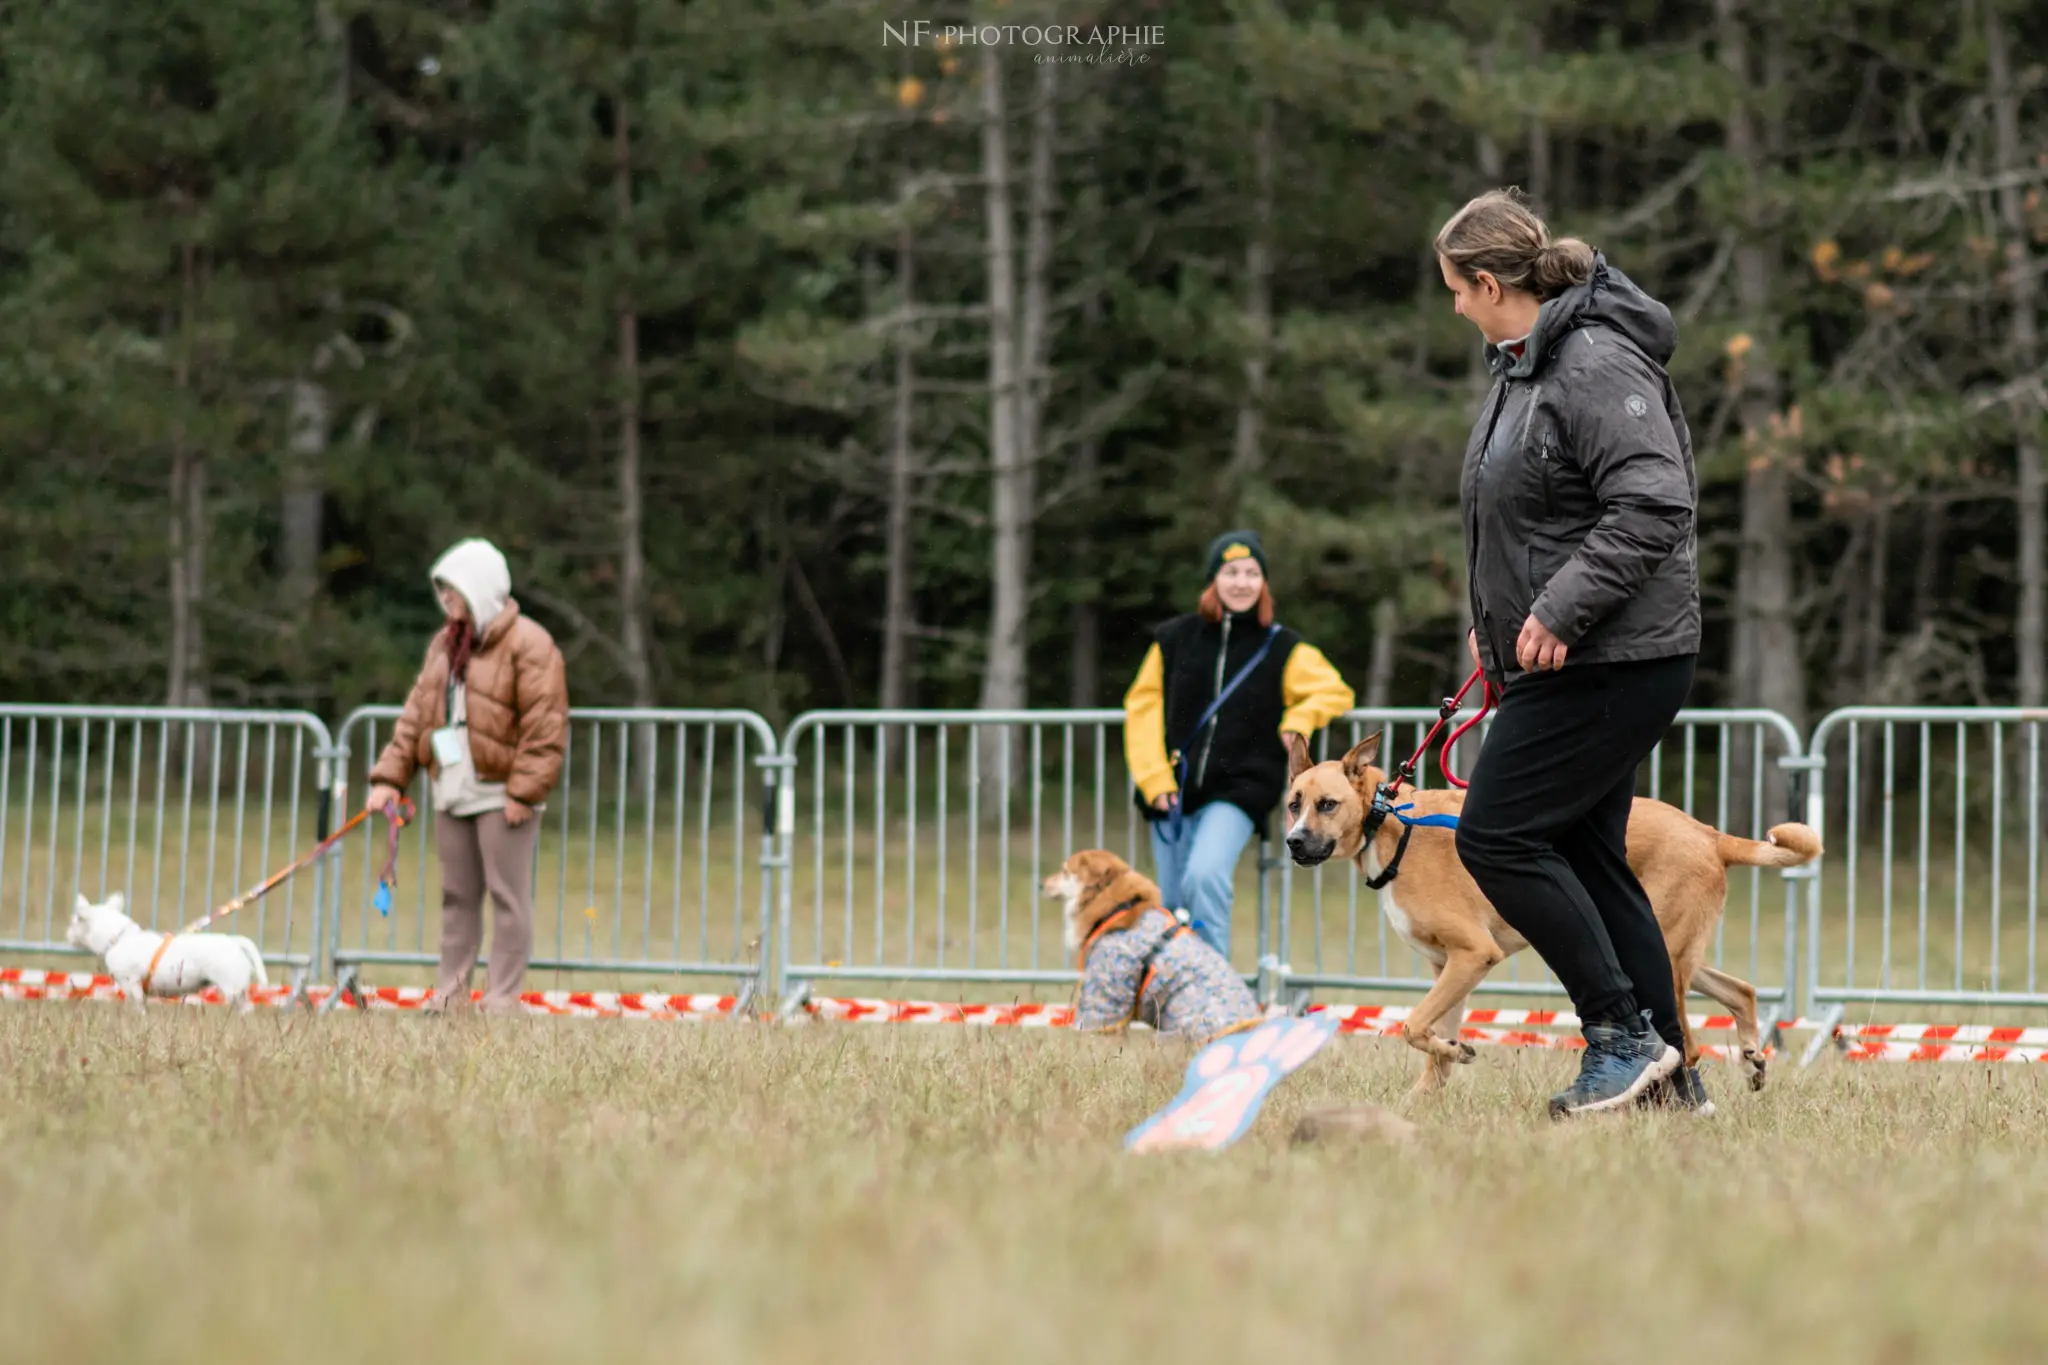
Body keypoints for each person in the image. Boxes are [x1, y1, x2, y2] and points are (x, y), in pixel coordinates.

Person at [1435, 187, 1704, 1118]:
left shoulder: (1589, 360)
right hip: (1566, 652)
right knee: (1591, 855)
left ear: (1487, 280)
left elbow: (1655, 503)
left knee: (1497, 837)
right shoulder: (1524, 365)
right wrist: (1495, 615)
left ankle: (1620, 1035)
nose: (1455, 309)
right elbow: (1527, 514)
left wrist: (1555, 607)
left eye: (1457, 292)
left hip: (1611, 656)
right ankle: (1672, 1081)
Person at [1123, 530, 1355, 962]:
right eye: (1230, 572)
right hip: (1171, 786)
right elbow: (1142, 710)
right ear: (1213, 580)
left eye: (1252, 573)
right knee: (1172, 899)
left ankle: (1216, 991)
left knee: (1205, 875)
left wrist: (1300, 719)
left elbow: (1336, 691)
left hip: (1239, 789)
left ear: (1264, 584)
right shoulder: (1173, 639)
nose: (1242, 582)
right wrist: (1154, 779)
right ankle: (1176, 996)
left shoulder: (1284, 646)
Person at [365, 538, 569, 1015]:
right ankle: (451, 996)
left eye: (452, 589)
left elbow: (546, 726)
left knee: (507, 898)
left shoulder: (531, 644)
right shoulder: (444, 644)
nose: (446, 599)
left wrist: (523, 791)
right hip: (451, 791)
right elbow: (417, 716)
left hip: (502, 794)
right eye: (442, 590)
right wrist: (389, 778)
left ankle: (501, 1000)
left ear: (478, 589)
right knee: (457, 898)